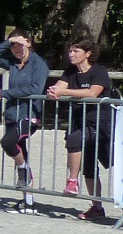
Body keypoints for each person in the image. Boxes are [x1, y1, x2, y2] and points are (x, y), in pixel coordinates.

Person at [47, 38, 117, 220]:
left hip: (100, 124)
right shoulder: (70, 72)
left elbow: (93, 92)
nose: (71, 54)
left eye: (76, 51)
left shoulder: (99, 71)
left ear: (88, 54)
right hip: (79, 121)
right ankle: (97, 207)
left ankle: (72, 181)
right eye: (70, 51)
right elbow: (58, 88)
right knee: (88, 167)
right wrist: (54, 91)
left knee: (76, 140)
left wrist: (64, 92)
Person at [0, 30, 49, 213]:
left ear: (28, 43)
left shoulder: (39, 64)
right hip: (13, 114)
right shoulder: (13, 63)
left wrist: (5, 93)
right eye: (13, 46)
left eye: (19, 45)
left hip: (29, 115)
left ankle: (23, 170)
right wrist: (8, 41)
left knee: (7, 142)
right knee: (20, 152)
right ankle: (28, 201)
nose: (16, 49)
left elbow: (35, 88)